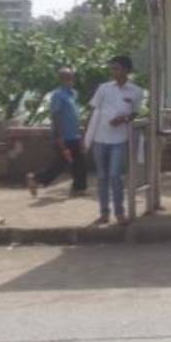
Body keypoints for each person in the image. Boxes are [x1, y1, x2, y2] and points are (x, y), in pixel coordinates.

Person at [86, 54, 144, 226]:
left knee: (115, 175)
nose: (113, 71)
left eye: (117, 68)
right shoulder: (103, 88)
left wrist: (123, 119)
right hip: (99, 138)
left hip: (119, 139)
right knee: (102, 177)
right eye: (112, 68)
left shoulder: (136, 91)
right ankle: (104, 213)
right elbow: (93, 111)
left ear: (127, 70)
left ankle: (120, 212)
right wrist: (87, 136)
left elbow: (135, 113)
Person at [27, 66, 86, 198]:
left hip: (74, 135)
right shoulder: (58, 95)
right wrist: (59, 137)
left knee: (80, 161)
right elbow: (56, 116)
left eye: (71, 77)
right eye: (66, 78)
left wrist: (80, 133)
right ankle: (36, 178)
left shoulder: (73, 94)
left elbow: (75, 115)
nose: (69, 80)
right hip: (63, 136)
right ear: (61, 79)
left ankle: (79, 188)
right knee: (60, 163)